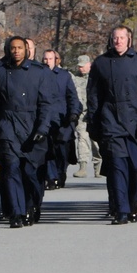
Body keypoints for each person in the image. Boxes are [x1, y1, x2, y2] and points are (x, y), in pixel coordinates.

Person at [87, 26, 137, 225]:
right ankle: (121, 209)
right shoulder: (101, 63)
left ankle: (133, 201)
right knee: (117, 167)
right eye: (115, 38)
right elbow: (94, 95)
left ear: (129, 40)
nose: (118, 41)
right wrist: (94, 122)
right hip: (111, 121)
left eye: (122, 38)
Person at [0, 38, 55, 228]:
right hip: (7, 126)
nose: (16, 51)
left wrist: (42, 129)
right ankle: (17, 213)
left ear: (27, 50)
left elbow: (46, 105)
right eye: (13, 48)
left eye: (20, 48)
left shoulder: (39, 72)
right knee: (11, 168)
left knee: (30, 172)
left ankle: (32, 205)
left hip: (32, 128)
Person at [42, 50, 81, 190]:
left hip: (62, 120)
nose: (47, 61)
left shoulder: (64, 76)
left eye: (50, 59)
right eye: (45, 59)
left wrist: (74, 113)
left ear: (56, 60)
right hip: (45, 120)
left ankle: (61, 172)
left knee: (61, 151)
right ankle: (51, 178)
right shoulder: (39, 75)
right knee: (47, 150)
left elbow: (73, 97)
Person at [71, 55, 101, 178]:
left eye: (83, 66)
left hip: (94, 114)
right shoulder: (75, 79)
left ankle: (99, 167)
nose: (81, 69)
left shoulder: (96, 79)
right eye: (79, 66)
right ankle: (82, 166)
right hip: (81, 115)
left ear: (89, 65)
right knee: (82, 140)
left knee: (96, 142)